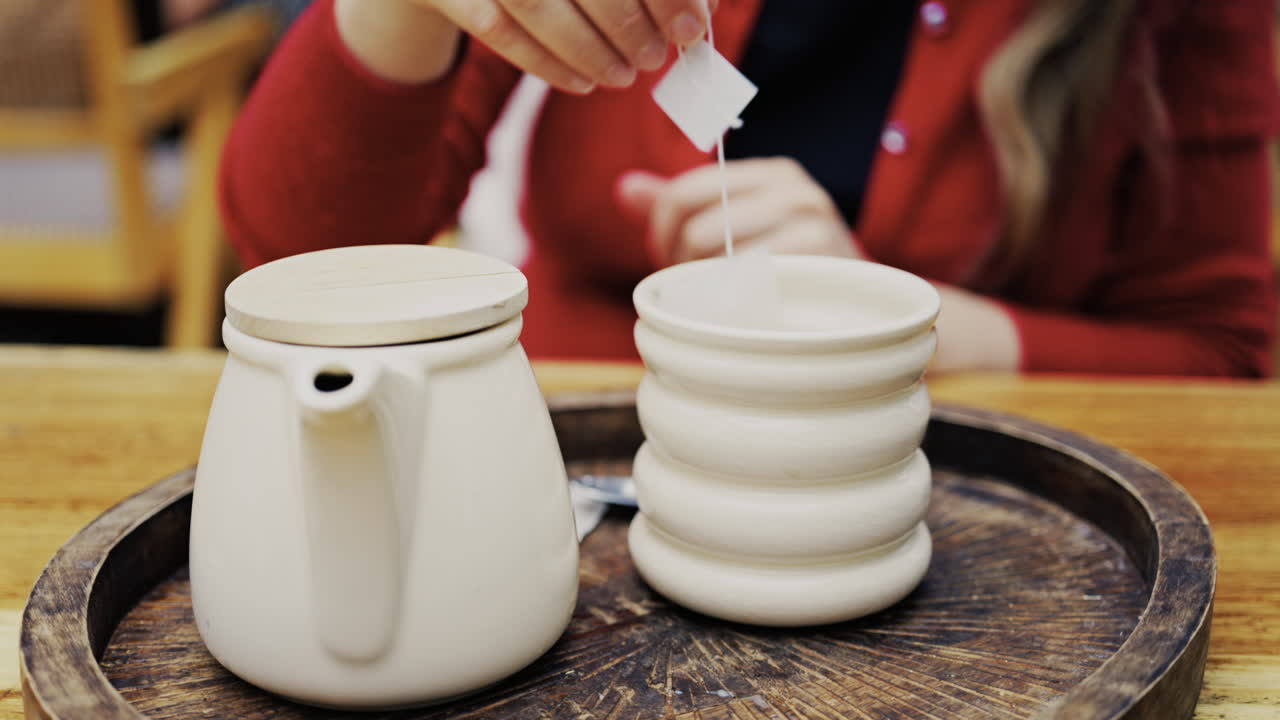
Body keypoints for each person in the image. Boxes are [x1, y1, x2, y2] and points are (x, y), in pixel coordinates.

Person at [219, 0, 1280, 376]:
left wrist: (885, 314)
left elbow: (1219, 359)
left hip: (921, 512)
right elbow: (301, 257)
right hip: (556, 462)